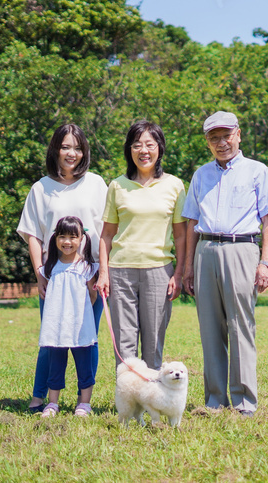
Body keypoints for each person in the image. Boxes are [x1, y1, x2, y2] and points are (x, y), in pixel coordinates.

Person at [181, 111, 268, 417]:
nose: (221, 143)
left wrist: (267, 263)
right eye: (214, 138)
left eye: (226, 135)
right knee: (209, 328)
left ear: (238, 134)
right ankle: (214, 400)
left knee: (240, 327)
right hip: (206, 248)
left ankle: (244, 401)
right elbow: (190, 223)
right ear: (207, 141)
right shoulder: (200, 175)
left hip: (242, 250)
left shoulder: (257, 171)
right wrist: (186, 267)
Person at [17, 123, 107, 414]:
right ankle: (40, 397)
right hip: (54, 276)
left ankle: (85, 401)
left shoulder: (96, 184)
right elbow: (32, 233)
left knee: (87, 338)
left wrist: (102, 272)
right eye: (66, 146)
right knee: (51, 337)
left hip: (89, 276)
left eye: (78, 148)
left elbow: (108, 230)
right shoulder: (41, 188)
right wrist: (39, 273)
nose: (72, 153)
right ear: (55, 149)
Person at [96, 120, 187, 371]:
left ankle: (152, 399)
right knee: (124, 344)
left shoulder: (175, 186)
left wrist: (178, 274)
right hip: (120, 272)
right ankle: (129, 405)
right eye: (137, 145)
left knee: (153, 343)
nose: (143, 151)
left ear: (160, 148)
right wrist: (103, 273)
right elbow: (106, 235)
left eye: (150, 144)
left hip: (159, 271)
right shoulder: (117, 185)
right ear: (129, 150)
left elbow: (181, 236)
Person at [37, 216, 99, 418]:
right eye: (62, 236)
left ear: (82, 238)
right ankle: (52, 403)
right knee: (56, 365)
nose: (67, 242)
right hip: (57, 327)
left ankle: (84, 403)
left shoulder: (87, 267)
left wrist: (79, 314)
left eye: (73, 237)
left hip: (81, 326)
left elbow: (93, 294)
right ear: (55, 238)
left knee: (84, 365)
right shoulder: (50, 267)